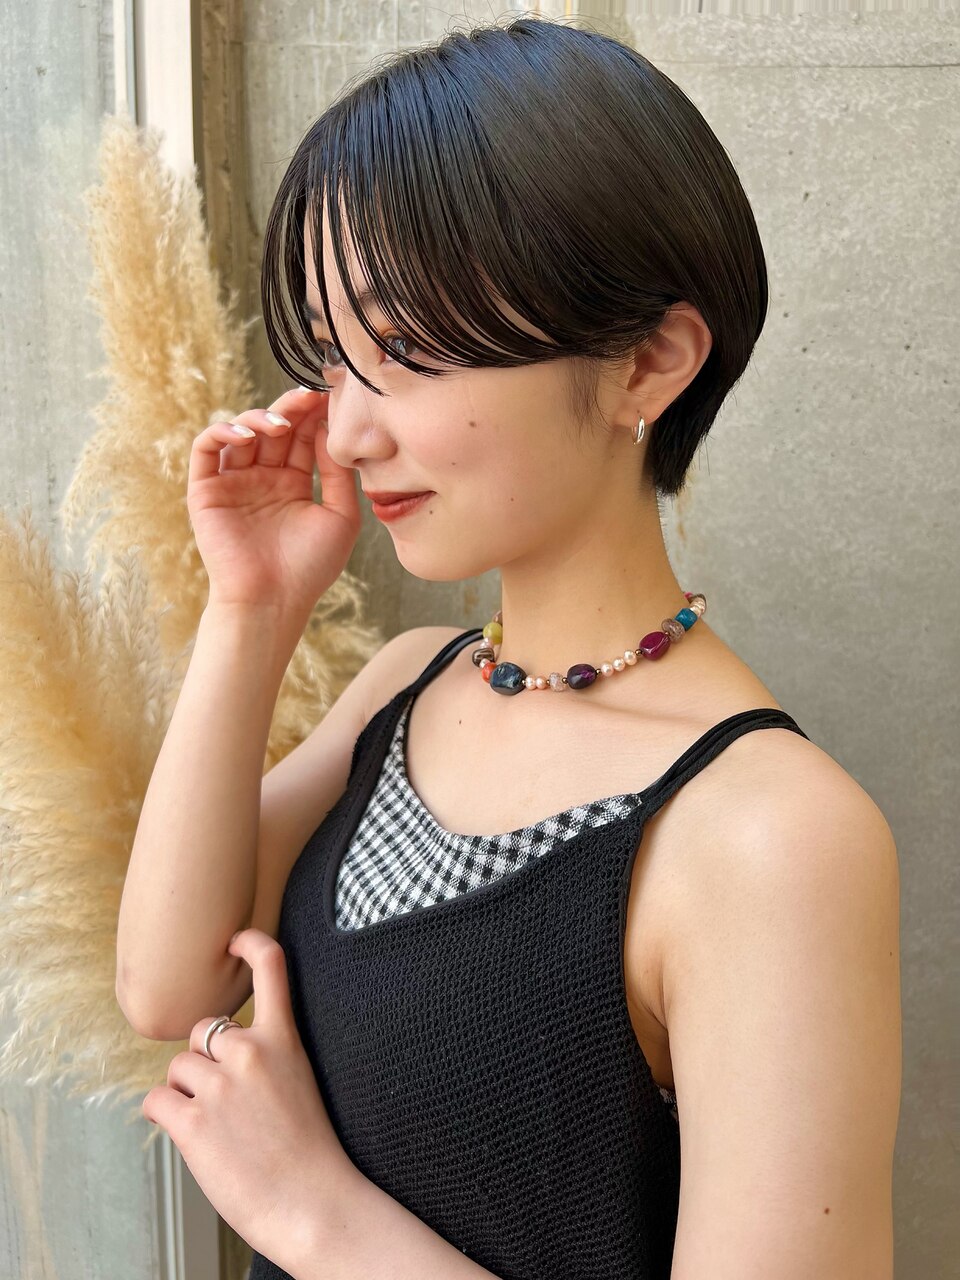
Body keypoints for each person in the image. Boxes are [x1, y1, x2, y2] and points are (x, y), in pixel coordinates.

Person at [120, 15, 901, 1280]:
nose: (349, 431)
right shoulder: (411, 681)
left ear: (649, 362)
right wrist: (251, 608)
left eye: (407, 348)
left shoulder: (770, 835)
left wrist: (314, 1214)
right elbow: (169, 983)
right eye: (334, 354)